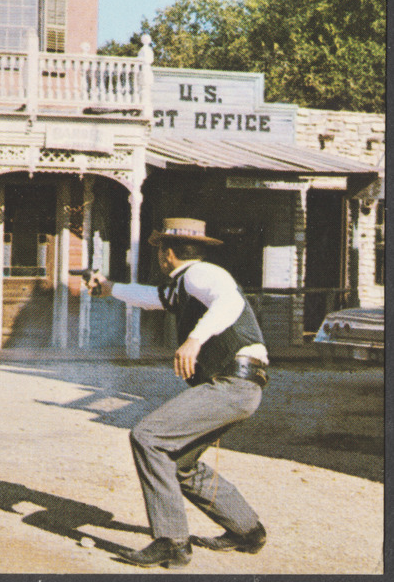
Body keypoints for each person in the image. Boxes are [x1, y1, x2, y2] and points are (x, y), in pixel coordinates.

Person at [87, 217, 268, 569]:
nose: (158, 255)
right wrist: (110, 288)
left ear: (166, 253)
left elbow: (228, 302)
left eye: (159, 249)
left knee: (148, 436)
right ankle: (246, 531)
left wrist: (194, 340)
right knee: (181, 464)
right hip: (239, 385)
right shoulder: (185, 282)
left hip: (232, 383)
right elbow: (155, 297)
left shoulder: (204, 275)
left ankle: (171, 542)